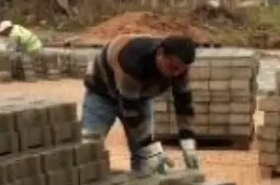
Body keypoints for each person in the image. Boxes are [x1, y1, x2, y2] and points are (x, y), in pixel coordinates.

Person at [81, 34, 200, 175]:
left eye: (180, 69)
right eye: (172, 67)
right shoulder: (131, 61)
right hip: (102, 94)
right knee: (87, 150)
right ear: (160, 54)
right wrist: (152, 149)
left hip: (140, 97)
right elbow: (131, 111)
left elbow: (184, 105)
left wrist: (188, 144)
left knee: (144, 158)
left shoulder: (179, 69)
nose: (175, 74)